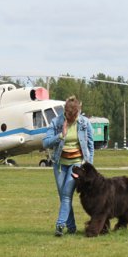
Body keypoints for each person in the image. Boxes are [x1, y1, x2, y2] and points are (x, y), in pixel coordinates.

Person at [42, 96, 95, 236]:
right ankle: (71, 228)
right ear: (65, 111)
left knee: (66, 194)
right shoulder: (56, 122)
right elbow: (45, 143)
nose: (71, 119)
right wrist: (61, 135)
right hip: (60, 165)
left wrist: (89, 166)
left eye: (74, 116)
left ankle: (60, 225)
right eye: (69, 116)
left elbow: (90, 145)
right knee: (64, 197)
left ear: (78, 112)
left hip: (76, 164)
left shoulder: (84, 123)